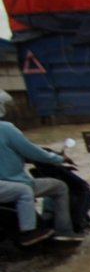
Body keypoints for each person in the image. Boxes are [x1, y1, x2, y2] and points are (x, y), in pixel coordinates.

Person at [0, 90, 80, 245]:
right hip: (11, 183)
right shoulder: (5, 129)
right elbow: (31, 150)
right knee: (60, 187)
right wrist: (58, 158)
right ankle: (64, 233)